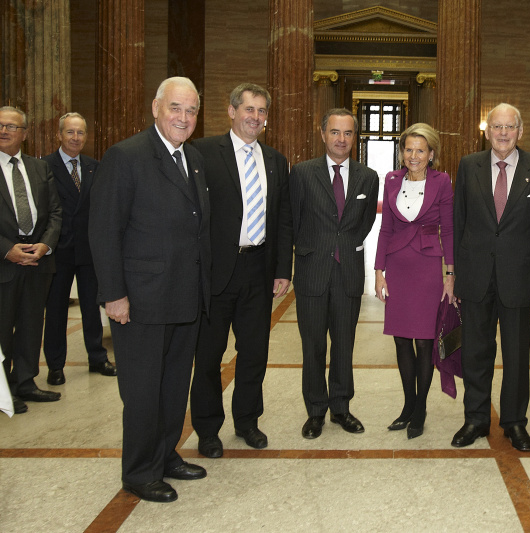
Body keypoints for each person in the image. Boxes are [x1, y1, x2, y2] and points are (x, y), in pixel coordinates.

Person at [89, 77, 211, 503]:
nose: (183, 117)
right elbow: (104, 230)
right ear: (156, 108)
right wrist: (113, 294)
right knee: (142, 391)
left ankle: (164, 455)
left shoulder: (193, 158)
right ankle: (140, 471)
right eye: (176, 108)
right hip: (141, 300)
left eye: (191, 110)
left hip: (184, 295)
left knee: (174, 386)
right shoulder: (126, 156)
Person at [190, 83, 292, 457]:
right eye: (249, 109)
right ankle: (207, 429)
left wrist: (282, 268)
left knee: (254, 352)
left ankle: (247, 421)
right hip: (215, 271)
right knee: (209, 355)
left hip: (258, 269)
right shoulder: (202, 152)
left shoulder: (275, 160)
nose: (256, 117)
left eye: (262, 111)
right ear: (232, 111)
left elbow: (283, 218)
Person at [452, 103, 530, 451]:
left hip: (520, 279)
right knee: (475, 353)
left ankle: (514, 422)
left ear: (520, 131)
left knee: (516, 355)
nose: (502, 133)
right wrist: (454, 275)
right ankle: (475, 418)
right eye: (496, 126)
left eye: (509, 127)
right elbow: (458, 222)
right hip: (475, 277)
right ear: (487, 131)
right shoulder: (468, 165)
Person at [289, 108, 379, 439]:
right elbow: (293, 220)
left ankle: (341, 408)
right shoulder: (302, 173)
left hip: (348, 274)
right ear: (323, 133)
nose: (341, 139)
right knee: (312, 346)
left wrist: (343, 246)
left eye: (348, 133)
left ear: (355, 137)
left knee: (344, 344)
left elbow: (365, 222)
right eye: (335, 132)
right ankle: (315, 411)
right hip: (312, 272)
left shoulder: (368, 177)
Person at [374, 123, 454, 439]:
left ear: (431, 154)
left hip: (428, 268)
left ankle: (420, 409)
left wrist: (450, 274)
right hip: (398, 267)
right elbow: (386, 228)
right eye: (408, 149)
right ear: (402, 152)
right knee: (400, 339)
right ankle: (408, 405)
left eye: (420, 150)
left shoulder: (442, 181)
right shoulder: (392, 179)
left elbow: (448, 230)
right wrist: (378, 271)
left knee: (424, 340)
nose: (414, 155)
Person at [43, 112, 116, 386]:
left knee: (91, 308)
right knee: (56, 311)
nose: (76, 137)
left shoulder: (94, 167)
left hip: (88, 252)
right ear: (59, 135)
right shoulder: (45, 166)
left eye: (81, 132)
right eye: (70, 132)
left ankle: (97, 358)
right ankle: (55, 365)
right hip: (58, 252)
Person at [0, 106, 62, 414]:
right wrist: (6, 249)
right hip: (4, 263)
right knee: (2, 329)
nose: (4, 131)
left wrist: (45, 245)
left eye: (11, 126)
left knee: (30, 325)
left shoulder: (39, 168)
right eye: (0, 125)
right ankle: (2, 390)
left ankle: (24, 382)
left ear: (24, 133)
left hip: (38, 262)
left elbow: (55, 212)